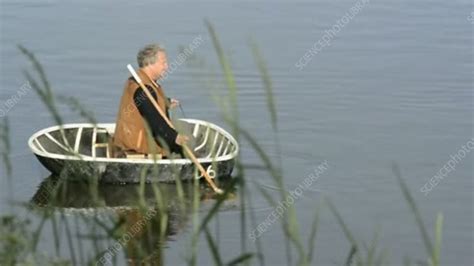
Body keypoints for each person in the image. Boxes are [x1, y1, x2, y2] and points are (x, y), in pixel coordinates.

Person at [113, 44, 189, 158]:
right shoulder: (143, 90)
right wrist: (175, 138)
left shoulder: (141, 81)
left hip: (133, 139)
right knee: (185, 143)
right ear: (150, 64)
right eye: (163, 63)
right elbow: (155, 122)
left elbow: (146, 105)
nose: (167, 66)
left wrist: (165, 102)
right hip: (139, 147)